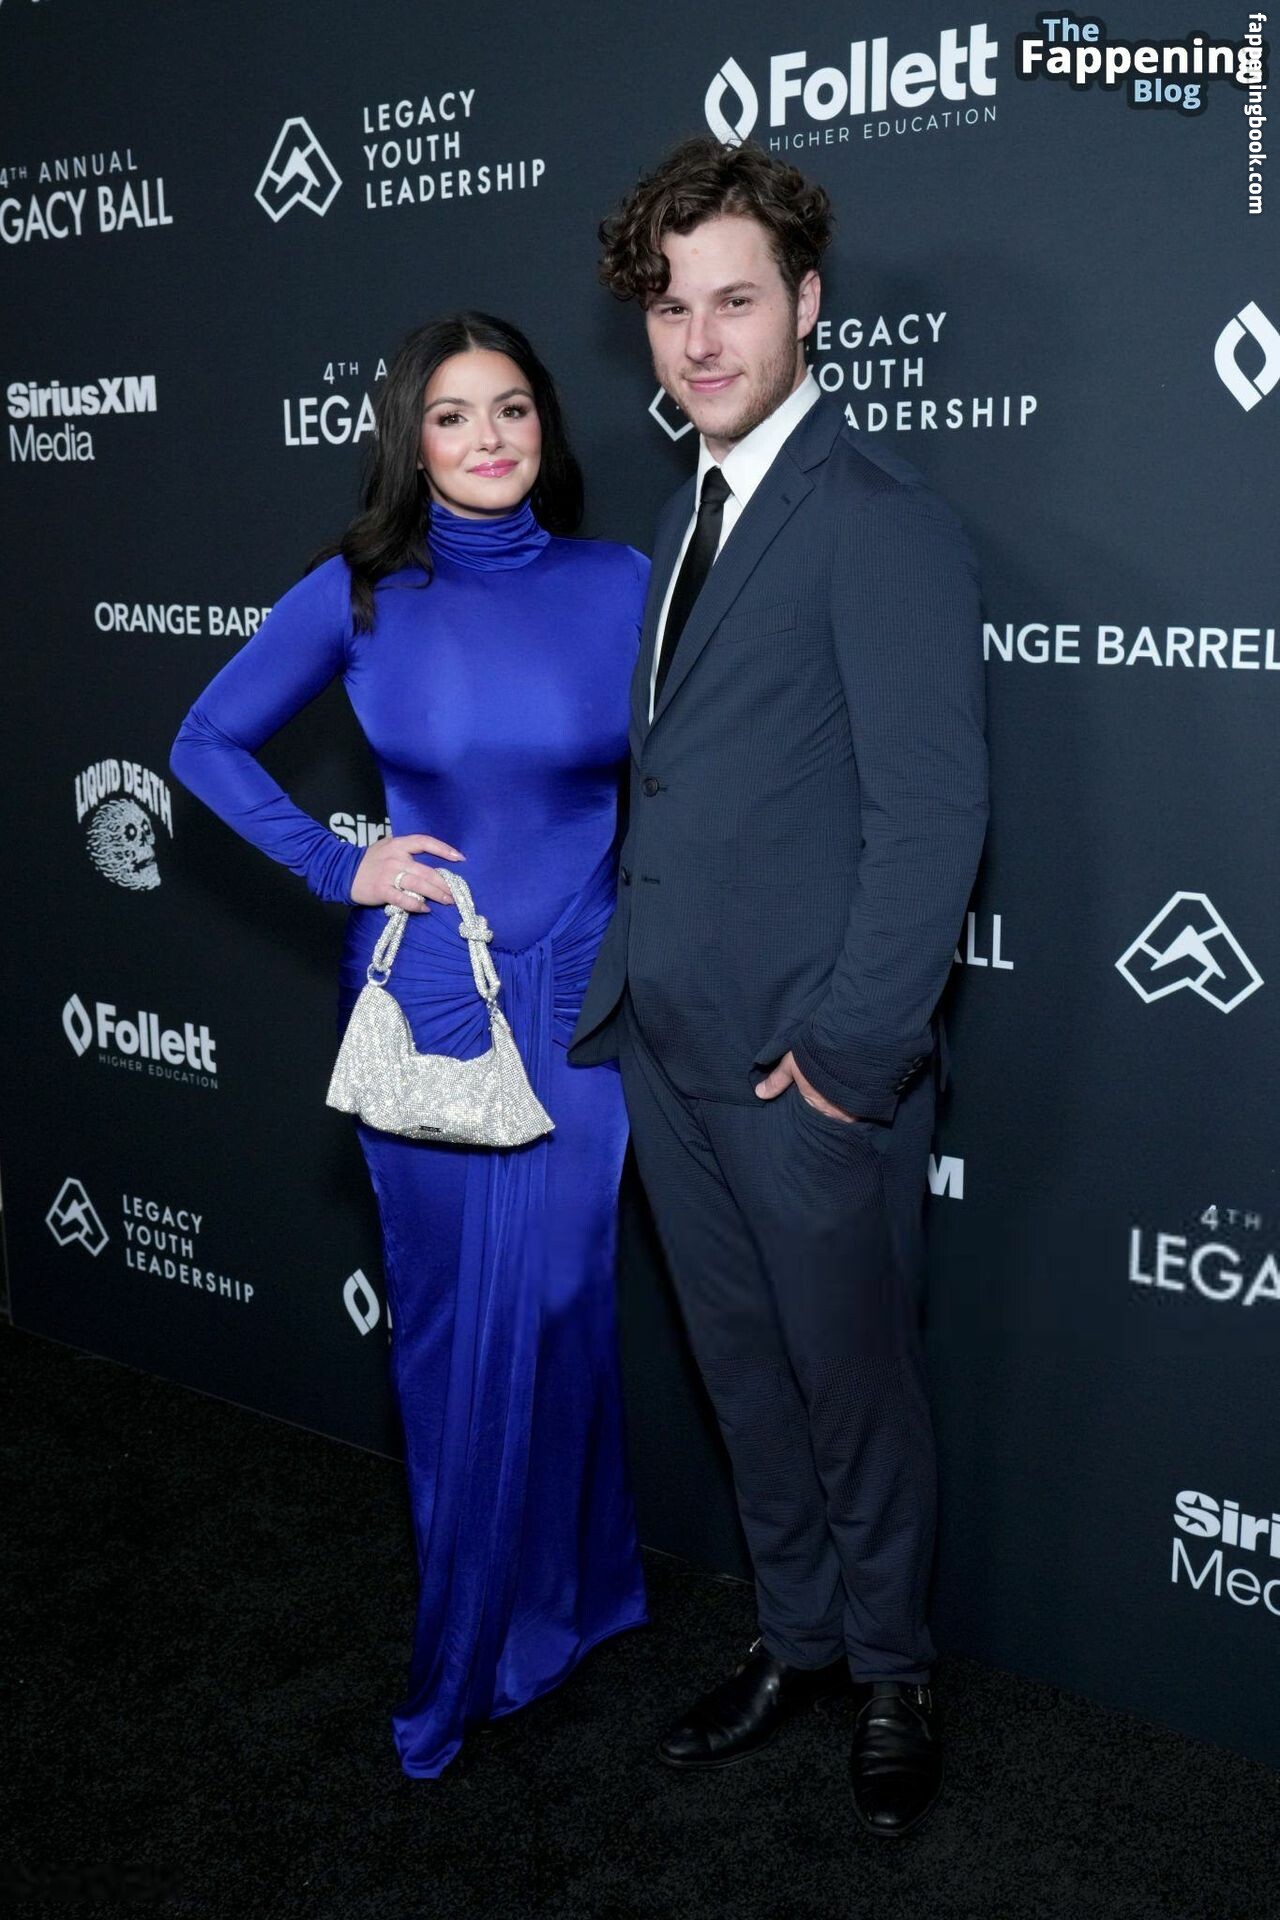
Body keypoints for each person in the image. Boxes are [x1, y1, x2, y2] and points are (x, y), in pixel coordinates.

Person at [568, 138, 989, 1836]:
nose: (700, 340)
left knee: (852, 1390)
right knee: (743, 1377)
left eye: (735, 301)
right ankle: (799, 1637)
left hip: (806, 1072)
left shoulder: (880, 520)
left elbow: (932, 814)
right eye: (672, 308)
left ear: (807, 305)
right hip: (669, 1050)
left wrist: (846, 1061)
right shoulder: (686, 515)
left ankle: (892, 1671)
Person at [169, 313, 650, 1779]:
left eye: (512, 408)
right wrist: (341, 863)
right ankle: (469, 1648)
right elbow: (204, 741)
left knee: (563, 1302)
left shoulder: (625, 582)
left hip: (586, 992)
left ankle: (570, 1603)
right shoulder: (364, 590)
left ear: (547, 425)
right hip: (438, 998)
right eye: (452, 415)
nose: (488, 437)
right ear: (410, 439)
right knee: (452, 1333)